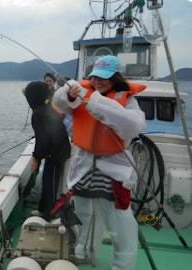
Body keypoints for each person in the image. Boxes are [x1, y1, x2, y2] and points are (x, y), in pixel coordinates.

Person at [53, 55, 146, 270]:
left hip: (113, 171)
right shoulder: (81, 93)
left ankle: (122, 266)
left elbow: (133, 126)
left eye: (104, 78)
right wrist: (68, 94)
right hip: (85, 167)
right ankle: (83, 254)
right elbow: (59, 103)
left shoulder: (128, 100)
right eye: (95, 77)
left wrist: (95, 102)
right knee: (84, 216)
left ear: (115, 77)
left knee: (120, 225)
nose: (98, 82)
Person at [23, 81, 71, 221]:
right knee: (46, 181)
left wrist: (35, 157)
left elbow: (42, 140)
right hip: (53, 153)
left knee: (50, 185)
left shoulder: (38, 113)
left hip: (56, 155)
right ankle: (43, 210)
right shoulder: (44, 108)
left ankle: (49, 216)